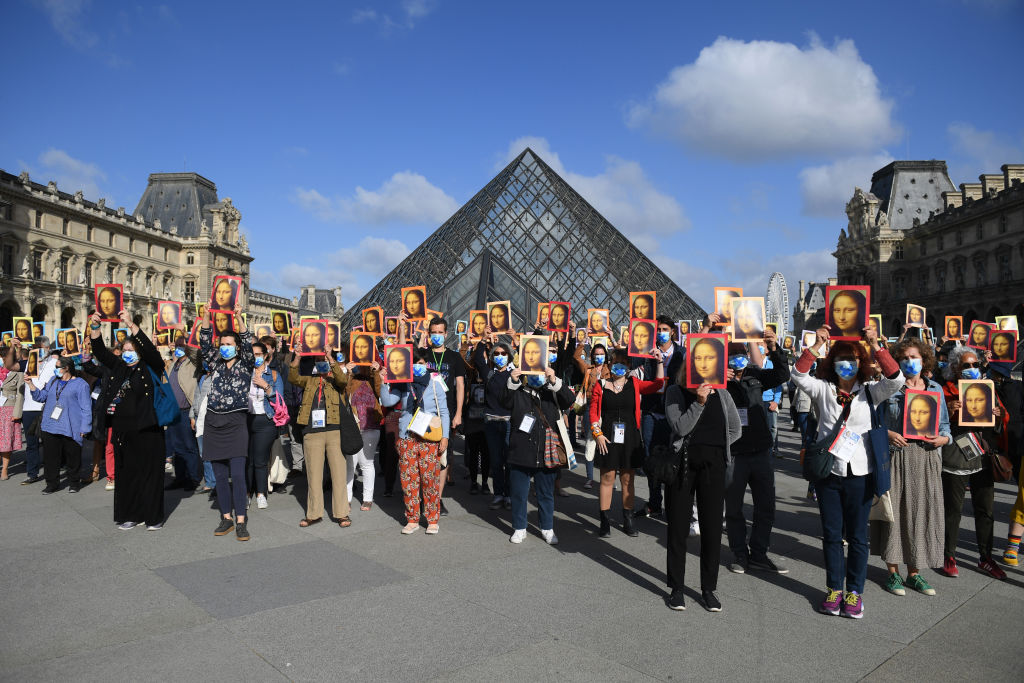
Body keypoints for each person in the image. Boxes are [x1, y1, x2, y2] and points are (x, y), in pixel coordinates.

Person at [791, 323, 904, 619]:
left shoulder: (870, 392)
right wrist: (817, 346)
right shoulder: (823, 389)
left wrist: (876, 343)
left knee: (857, 537)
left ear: (861, 364)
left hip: (860, 473)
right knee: (830, 535)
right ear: (832, 363)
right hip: (830, 472)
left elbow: (896, 380)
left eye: (852, 360)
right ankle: (834, 589)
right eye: (840, 359)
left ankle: (854, 592)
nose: (846, 365)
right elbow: (798, 375)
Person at [664, 350, 742, 611]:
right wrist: (698, 402)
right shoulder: (676, 392)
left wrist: (720, 447)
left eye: (709, 360)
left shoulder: (722, 393)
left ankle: (709, 588)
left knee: (711, 529)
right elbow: (680, 428)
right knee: (677, 527)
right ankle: (676, 587)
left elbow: (735, 429)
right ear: (689, 365)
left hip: (714, 466)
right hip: (683, 465)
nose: (704, 364)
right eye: (698, 361)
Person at [872, 339, 949, 597]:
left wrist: (943, 439)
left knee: (922, 513)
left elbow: (946, 426)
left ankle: (915, 573)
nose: (909, 362)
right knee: (895, 513)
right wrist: (889, 434)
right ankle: (893, 573)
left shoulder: (935, 388)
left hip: (926, 458)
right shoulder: (889, 388)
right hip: (897, 455)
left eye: (914, 357)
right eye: (904, 358)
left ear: (924, 360)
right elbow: (874, 424)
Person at [722, 326, 791, 575]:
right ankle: (740, 554)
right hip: (734, 452)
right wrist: (719, 378)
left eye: (741, 352)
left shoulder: (756, 374)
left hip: (760, 449)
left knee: (766, 506)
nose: (737, 357)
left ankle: (759, 553)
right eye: (732, 353)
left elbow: (783, 374)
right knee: (734, 507)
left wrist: (774, 348)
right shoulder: (718, 381)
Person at [89, 309, 167, 526]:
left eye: (131, 350)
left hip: (148, 428)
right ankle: (131, 515)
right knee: (127, 474)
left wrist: (132, 325)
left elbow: (151, 352)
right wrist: (95, 327)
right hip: (123, 429)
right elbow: (100, 352)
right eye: (124, 350)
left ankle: (152, 517)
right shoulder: (119, 366)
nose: (126, 353)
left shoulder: (150, 366)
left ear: (139, 353)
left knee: (150, 474)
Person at [939, 346, 1006, 579]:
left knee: (985, 510)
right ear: (955, 368)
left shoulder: (987, 388)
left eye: (974, 365)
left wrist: (997, 415)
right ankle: (948, 555)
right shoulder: (944, 390)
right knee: (953, 510)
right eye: (966, 366)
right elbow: (934, 422)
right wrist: (947, 411)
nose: (971, 369)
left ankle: (986, 558)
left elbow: (1001, 422)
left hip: (983, 456)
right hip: (956, 455)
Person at [497, 358, 574, 545]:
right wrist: (512, 381)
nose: (536, 377)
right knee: (519, 492)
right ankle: (519, 527)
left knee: (546, 493)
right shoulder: (518, 391)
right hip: (520, 450)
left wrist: (554, 381)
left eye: (539, 373)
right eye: (532, 373)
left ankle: (547, 528)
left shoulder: (551, 392)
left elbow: (570, 401)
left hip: (545, 451)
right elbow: (503, 402)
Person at [590, 348, 665, 537]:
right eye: (615, 363)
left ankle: (628, 518)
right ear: (609, 365)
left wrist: (660, 362)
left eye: (623, 363)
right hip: (606, 437)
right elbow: (593, 413)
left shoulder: (635, 383)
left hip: (629, 437)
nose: (619, 366)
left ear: (629, 366)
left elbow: (657, 385)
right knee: (607, 479)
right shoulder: (600, 385)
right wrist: (597, 434)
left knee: (627, 479)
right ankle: (604, 521)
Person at [199, 301, 256, 540]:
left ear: (237, 347)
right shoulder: (214, 363)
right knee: (220, 475)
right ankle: (226, 518)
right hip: (214, 421)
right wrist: (207, 314)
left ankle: (241, 521)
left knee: (238, 474)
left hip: (235, 422)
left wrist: (239, 318)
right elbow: (204, 340)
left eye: (229, 344)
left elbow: (248, 341)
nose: (224, 348)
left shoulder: (245, 364)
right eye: (222, 344)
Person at [380, 348, 450, 534]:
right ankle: (412, 519)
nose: (417, 367)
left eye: (420, 364)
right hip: (407, 436)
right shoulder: (403, 384)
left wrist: (446, 437)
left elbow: (444, 411)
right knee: (408, 479)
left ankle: (432, 519)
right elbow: (387, 401)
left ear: (426, 365)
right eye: (413, 364)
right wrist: (384, 381)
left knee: (429, 479)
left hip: (429, 437)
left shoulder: (435, 383)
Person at [288, 345, 352, 527]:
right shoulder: (309, 380)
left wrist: (331, 359)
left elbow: (343, 380)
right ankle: (314, 513)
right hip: (312, 432)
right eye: (319, 360)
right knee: (314, 475)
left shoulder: (335, 379)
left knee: (338, 474)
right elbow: (292, 377)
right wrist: (297, 357)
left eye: (324, 360)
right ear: (314, 363)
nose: (322, 363)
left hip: (334, 430)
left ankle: (342, 514)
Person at [635, 315, 686, 517]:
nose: (661, 332)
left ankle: (673, 503)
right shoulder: (647, 350)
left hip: (674, 410)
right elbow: (632, 360)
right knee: (650, 457)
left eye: (664, 329)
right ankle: (655, 501)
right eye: (658, 329)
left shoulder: (681, 353)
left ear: (673, 331)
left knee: (675, 457)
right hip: (651, 410)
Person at [417, 317, 465, 515]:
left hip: (447, 413)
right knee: (422, 458)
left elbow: (460, 385)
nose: (437, 336)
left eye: (440, 332)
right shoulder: (424, 355)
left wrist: (458, 413)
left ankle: (436, 499)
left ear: (446, 334)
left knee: (443, 457)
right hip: (424, 413)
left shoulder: (454, 357)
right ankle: (422, 497)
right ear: (429, 334)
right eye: (433, 332)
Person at [30, 354, 92, 494]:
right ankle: (51, 484)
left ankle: (74, 483)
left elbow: (86, 408)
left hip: (71, 426)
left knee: (73, 457)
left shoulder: (81, 384)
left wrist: (85, 427)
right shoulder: (53, 380)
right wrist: (31, 385)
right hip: (50, 426)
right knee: (51, 458)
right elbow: (41, 397)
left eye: (57, 367)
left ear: (67, 368)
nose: (55, 370)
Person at [247, 341, 284, 510]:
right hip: (246, 420)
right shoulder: (245, 373)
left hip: (266, 420)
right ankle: (247, 493)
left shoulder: (274, 375)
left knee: (260, 460)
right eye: (252, 354)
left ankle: (261, 493)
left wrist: (266, 386)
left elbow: (279, 400)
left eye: (258, 354)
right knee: (247, 459)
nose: (255, 358)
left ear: (265, 355)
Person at [164, 337, 202, 491]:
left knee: (189, 445)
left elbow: (197, 354)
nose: (177, 348)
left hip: (187, 410)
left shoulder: (192, 363)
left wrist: (189, 344)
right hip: (174, 411)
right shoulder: (175, 363)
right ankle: (179, 477)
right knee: (176, 447)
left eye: (181, 346)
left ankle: (193, 477)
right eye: (176, 345)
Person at [345, 359, 382, 511]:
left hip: (371, 426)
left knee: (367, 463)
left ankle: (367, 498)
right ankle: (346, 499)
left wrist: (376, 372)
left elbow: (381, 392)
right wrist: (348, 373)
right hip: (352, 426)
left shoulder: (374, 377)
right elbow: (343, 392)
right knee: (350, 464)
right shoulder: (351, 378)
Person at [19, 338, 57, 485]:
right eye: (35, 347)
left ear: (47, 348)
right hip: (28, 408)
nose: (37, 350)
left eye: (40, 347)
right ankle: (32, 473)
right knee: (31, 443)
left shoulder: (54, 363)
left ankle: (52, 472)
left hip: (45, 407)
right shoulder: (30, 362)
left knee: (49, 443)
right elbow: (11, 365)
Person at [0, 345, 25, 480]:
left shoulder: (17, 371)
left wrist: (17, 412)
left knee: (6, 441)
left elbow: (20, 393)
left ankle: (5, 469)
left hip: (8, 408)